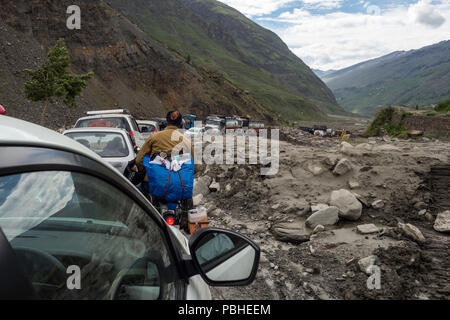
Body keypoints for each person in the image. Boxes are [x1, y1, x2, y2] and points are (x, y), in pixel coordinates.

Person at [135, 110, 198, 209]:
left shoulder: (154, 137)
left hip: (152, 185)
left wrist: (144, 170)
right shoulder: (186, 141)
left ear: (166, 122)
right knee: (189, 208)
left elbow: (139, 160)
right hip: (178, 186)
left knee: (135, 196)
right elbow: (195, 166)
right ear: (181, 123)